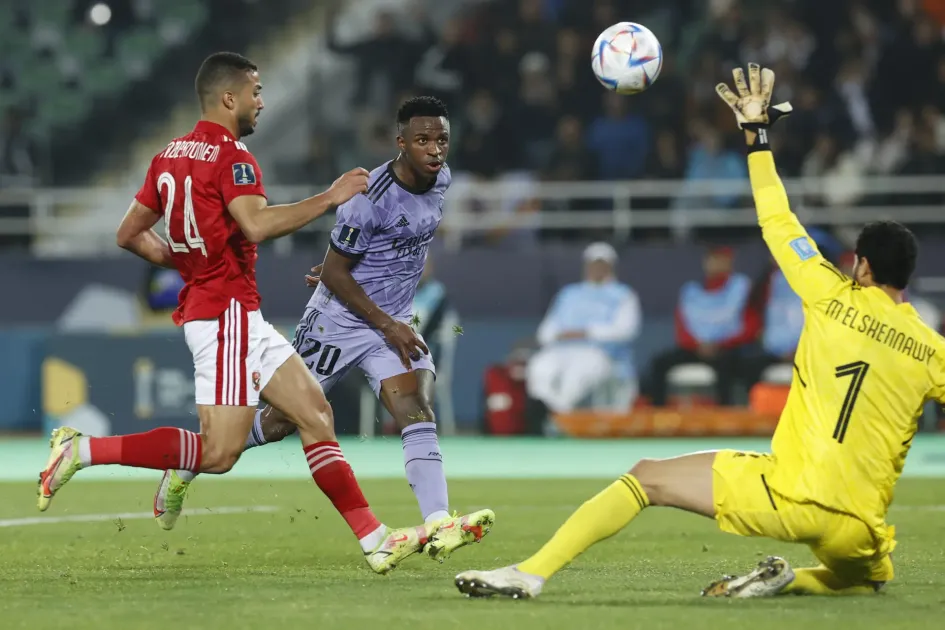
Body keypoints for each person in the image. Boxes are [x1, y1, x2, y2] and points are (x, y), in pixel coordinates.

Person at [453, 63, 945, 600]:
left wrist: (756, 135)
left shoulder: (829, 292)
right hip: (859, 527)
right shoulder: (931, 347)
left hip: (789, 494)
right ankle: (789, 583)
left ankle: (531, 572)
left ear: (862, 267)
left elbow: (777, 218)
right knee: (865, 578)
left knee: (646, 477)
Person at [37, 52, 434, 575]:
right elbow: (257, 225)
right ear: (229, 98)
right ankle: (82, 450)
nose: (261, 101)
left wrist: (186, 262)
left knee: (314, 415)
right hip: (223, 319)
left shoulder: (168, 156)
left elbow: (129, 234)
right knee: (219, 453)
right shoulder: (233, 156)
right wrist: (330, 197)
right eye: (255, 92)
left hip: (237, 314)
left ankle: (375, 538)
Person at [152, 96, 494, 563]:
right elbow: (336, 274)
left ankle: (438, 523)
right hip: (339, 322)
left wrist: (379, 296)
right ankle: (187, 465)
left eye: (442, 140)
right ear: (400, 143)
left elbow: (382, 253)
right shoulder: (366, 199)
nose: (435, 150)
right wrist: (375, 310)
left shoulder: (442, 180)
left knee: (415, 406)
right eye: (423, 140)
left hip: (391, 321)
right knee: (277, 423)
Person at [526, 242, 641, 413]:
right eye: (593, 264)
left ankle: (559, 416)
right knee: (539, 367)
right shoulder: (569, 294)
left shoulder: (623, 294)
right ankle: (550, 412)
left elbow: (626, 330)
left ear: (610, 266)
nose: (596, 268)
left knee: (576, 375)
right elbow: (545, 332)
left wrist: (586, 333)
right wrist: (559, 336)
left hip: (600, 353)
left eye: (601, 264)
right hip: (562, 350)